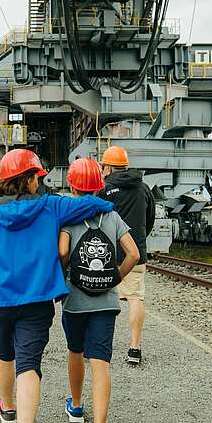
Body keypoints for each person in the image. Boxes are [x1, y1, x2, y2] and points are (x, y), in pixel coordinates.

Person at [0, 149, 114, 423]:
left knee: (3, 354)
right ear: (30, 179)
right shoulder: (52, 207)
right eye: (39, 177)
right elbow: (97, 205)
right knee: (29, 365)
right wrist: (105, 202)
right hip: (35, 303)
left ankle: (7, 407)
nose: (42, 181)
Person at [58, 158, 140, 423]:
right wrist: (116, 277)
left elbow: (64, 251)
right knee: (101, 363)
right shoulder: (112, 215)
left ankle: (77, 406)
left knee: (75, 351)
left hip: (76, 301)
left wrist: (63, 278)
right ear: (100, 186)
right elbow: (134, 253)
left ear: (72, 186)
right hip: (106, 302)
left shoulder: (69, 217)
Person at [97, 145, 155, 365]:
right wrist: (137, 241)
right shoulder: (143, 188)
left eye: (103, 166)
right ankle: (134, 348)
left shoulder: (104, 189)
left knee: (100, 299)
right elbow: (149, 220)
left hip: (105, 255)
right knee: (135, 298)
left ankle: (98, 346)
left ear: (109, 168)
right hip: (136, 253)